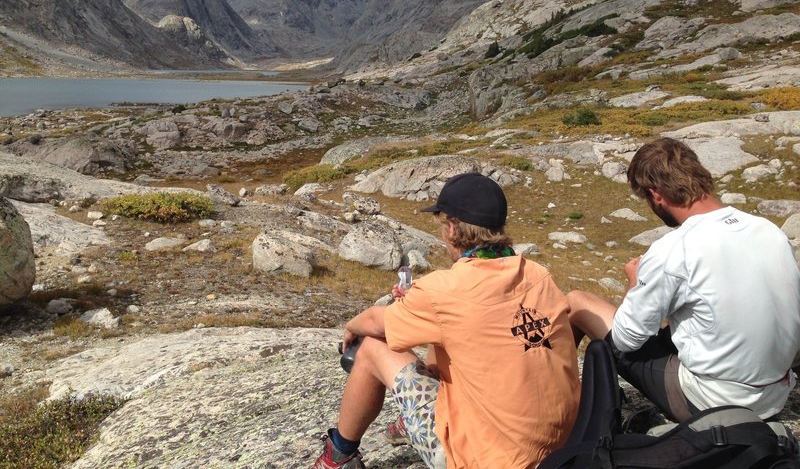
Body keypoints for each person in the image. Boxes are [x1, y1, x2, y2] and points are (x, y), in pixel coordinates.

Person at [312, 172, 580, 469]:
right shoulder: (539, 275)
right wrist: (421, 305)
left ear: (452, 229)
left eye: (442, 225)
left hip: (486, 458)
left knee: (370, 346)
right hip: (563, 445)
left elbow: (376, 322)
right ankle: (408, 423)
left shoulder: (444, 290)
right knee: (442, 339)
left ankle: (339, 454)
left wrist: (351, 327)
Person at [567, 137, 800, 423]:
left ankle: (561, 401)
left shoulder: (674, 249)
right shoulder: (769, 231)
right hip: (774, 395)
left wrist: (634, 284)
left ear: (656, 195)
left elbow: (626, 339)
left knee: (577, 302)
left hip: (714, 402)